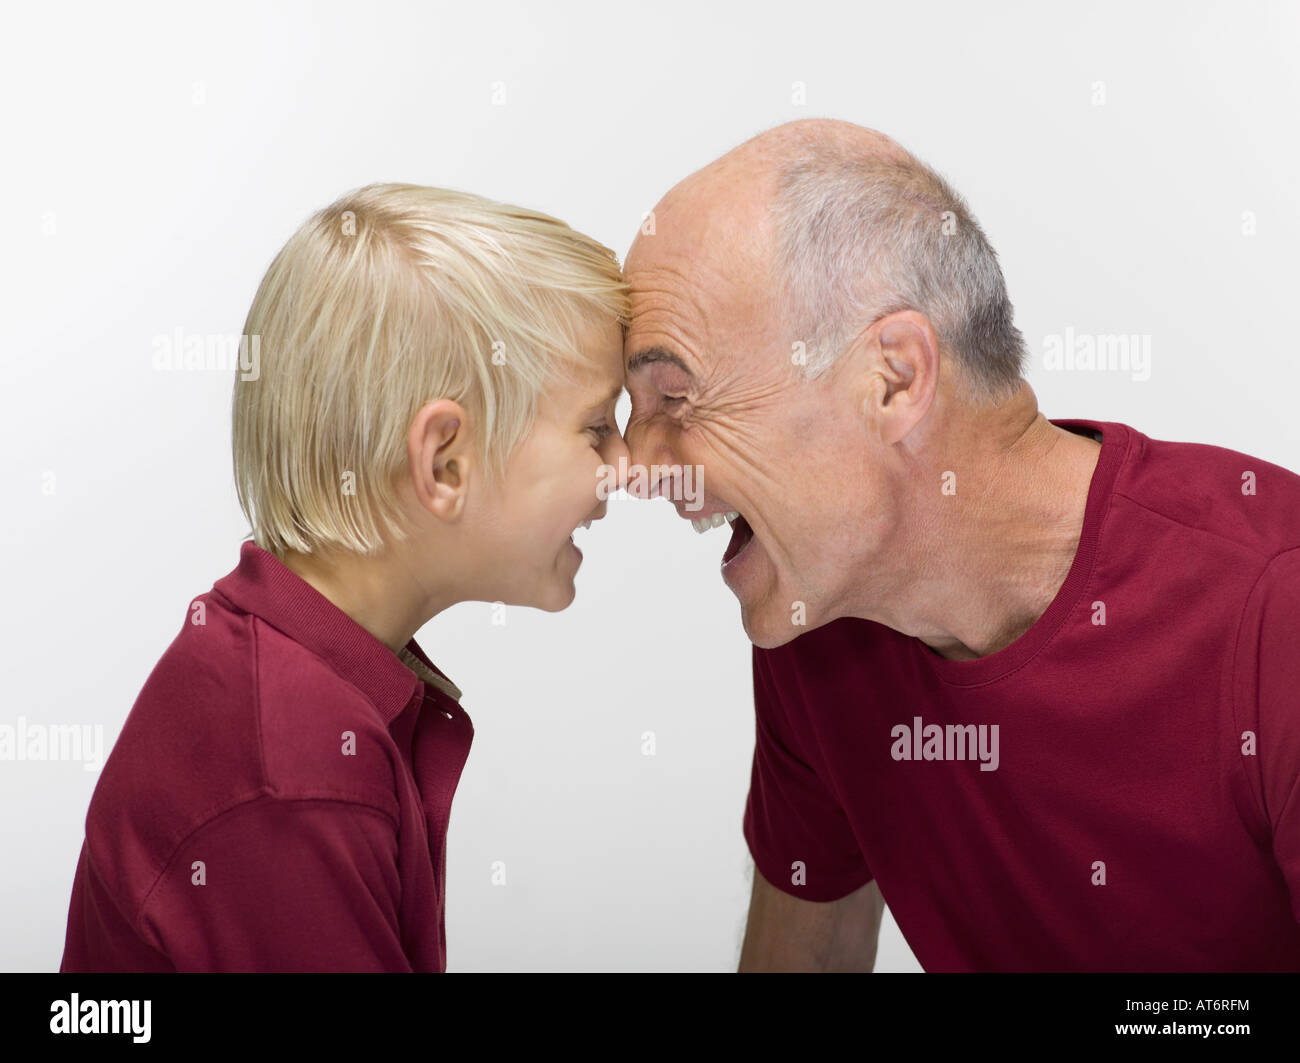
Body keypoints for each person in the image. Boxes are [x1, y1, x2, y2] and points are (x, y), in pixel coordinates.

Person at [622, 118, 1300, 971]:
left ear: (895, 379)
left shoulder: (1275, 605)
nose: (632, 468)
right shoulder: (819, 622)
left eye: (675, 399)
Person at [60, 183, 630, 971]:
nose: (629, 467)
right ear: (445, 462)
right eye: (599, 426)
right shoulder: (292, 768)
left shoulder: (300, 684)